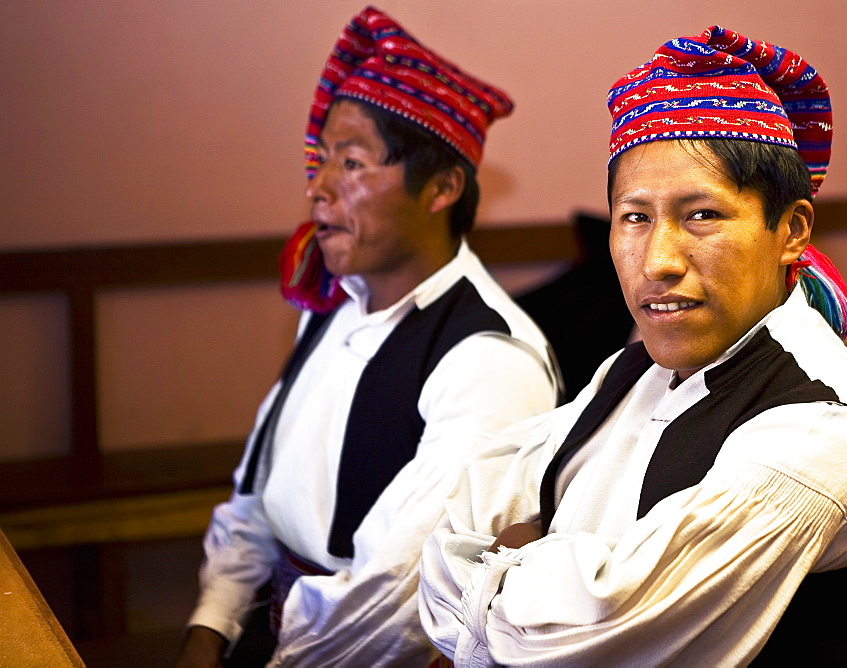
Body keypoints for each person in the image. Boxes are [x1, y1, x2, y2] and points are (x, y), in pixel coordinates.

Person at [419, 25, 847, 666]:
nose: (657, 260)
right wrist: (541, 575)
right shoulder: (633, 370)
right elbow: (454, 522)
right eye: (635, 217)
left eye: (702, 214)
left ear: (790, 230)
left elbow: (583, 637)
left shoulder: (819, 433)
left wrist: (515, 559)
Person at [176, 7, 560, 667]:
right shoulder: (334, 302)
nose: (318, 186)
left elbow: (393, 601)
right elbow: (257, 497)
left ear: (442, 187)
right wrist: (210, 629)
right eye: (322, 159)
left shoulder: (489, 362)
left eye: (351, 163)